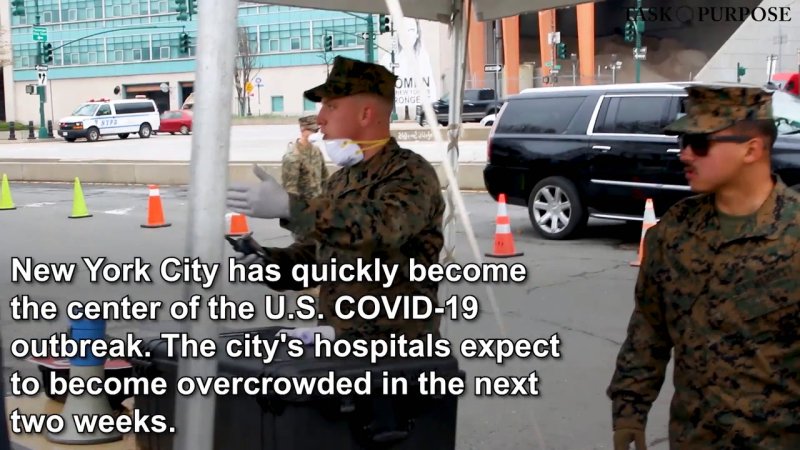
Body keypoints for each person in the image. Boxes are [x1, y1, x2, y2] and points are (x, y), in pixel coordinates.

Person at [607, 85, 800, 449]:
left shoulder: (794, 234)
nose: (684, 155)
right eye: (682, 140)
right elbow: (649, 328)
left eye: (699, 143)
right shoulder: (674, 232)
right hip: (693, 438)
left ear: (752, 149)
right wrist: (630, 409)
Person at [226, 56, 445, 340]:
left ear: (365, 114)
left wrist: (289, 206)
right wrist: (268, 262)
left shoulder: (410, 173)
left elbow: (381, 229)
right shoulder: (341, 180)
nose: (319, 119)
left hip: (400, 357)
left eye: (331, 106)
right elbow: (316, 258)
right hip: (341, 348)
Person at [280, 114, 328, 242]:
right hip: (303, 213)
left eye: (318, 131)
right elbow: (290, 191)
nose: (317, 134)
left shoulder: (316, 151)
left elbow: (325, 179)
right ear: (303, 130)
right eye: (313, 131)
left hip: (319, 211)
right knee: (304, 250)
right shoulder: (292, 157)